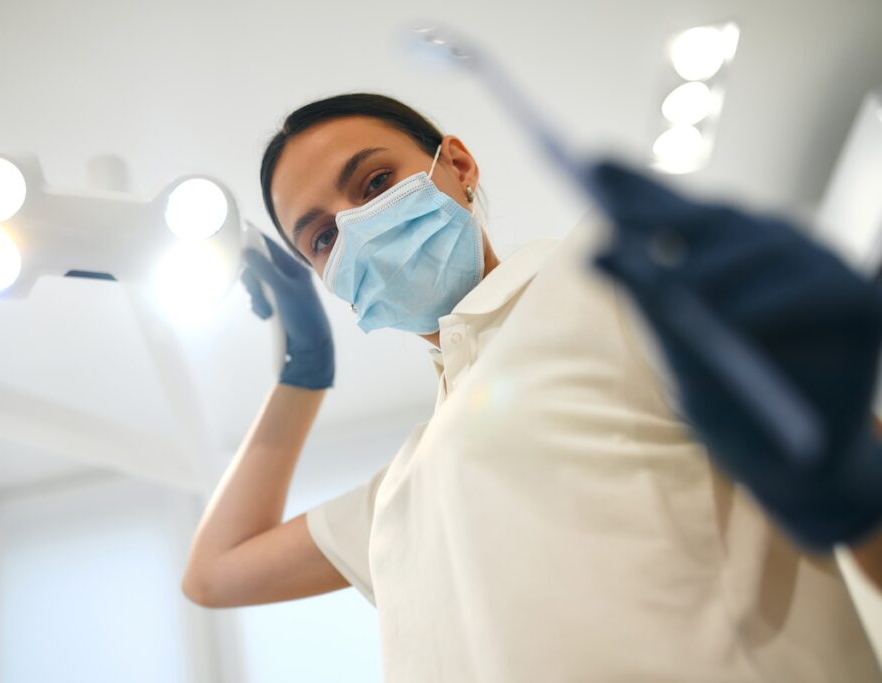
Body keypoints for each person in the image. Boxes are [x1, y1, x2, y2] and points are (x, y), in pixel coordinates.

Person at [182, 93, 882, 682]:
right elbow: (213, 573)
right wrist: (304, 366)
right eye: (323, 239)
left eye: (372, 184)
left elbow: (853, 466)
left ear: (456, 166)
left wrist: (850, 479)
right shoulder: (401, 491)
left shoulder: (601, 276)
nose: (358, 230)